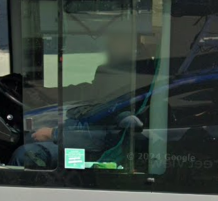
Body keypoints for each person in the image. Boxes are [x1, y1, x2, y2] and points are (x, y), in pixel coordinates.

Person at [9, 30, 152, 169]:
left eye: (116, 38)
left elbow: (104, 136)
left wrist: (54, 134)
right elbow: (86, 91)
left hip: (90, 152)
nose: (109, 42)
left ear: (132, 42)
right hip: (77, 130)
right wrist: (42, 89)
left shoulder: (133, 86)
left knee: (26, 155)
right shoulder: (114, 72)